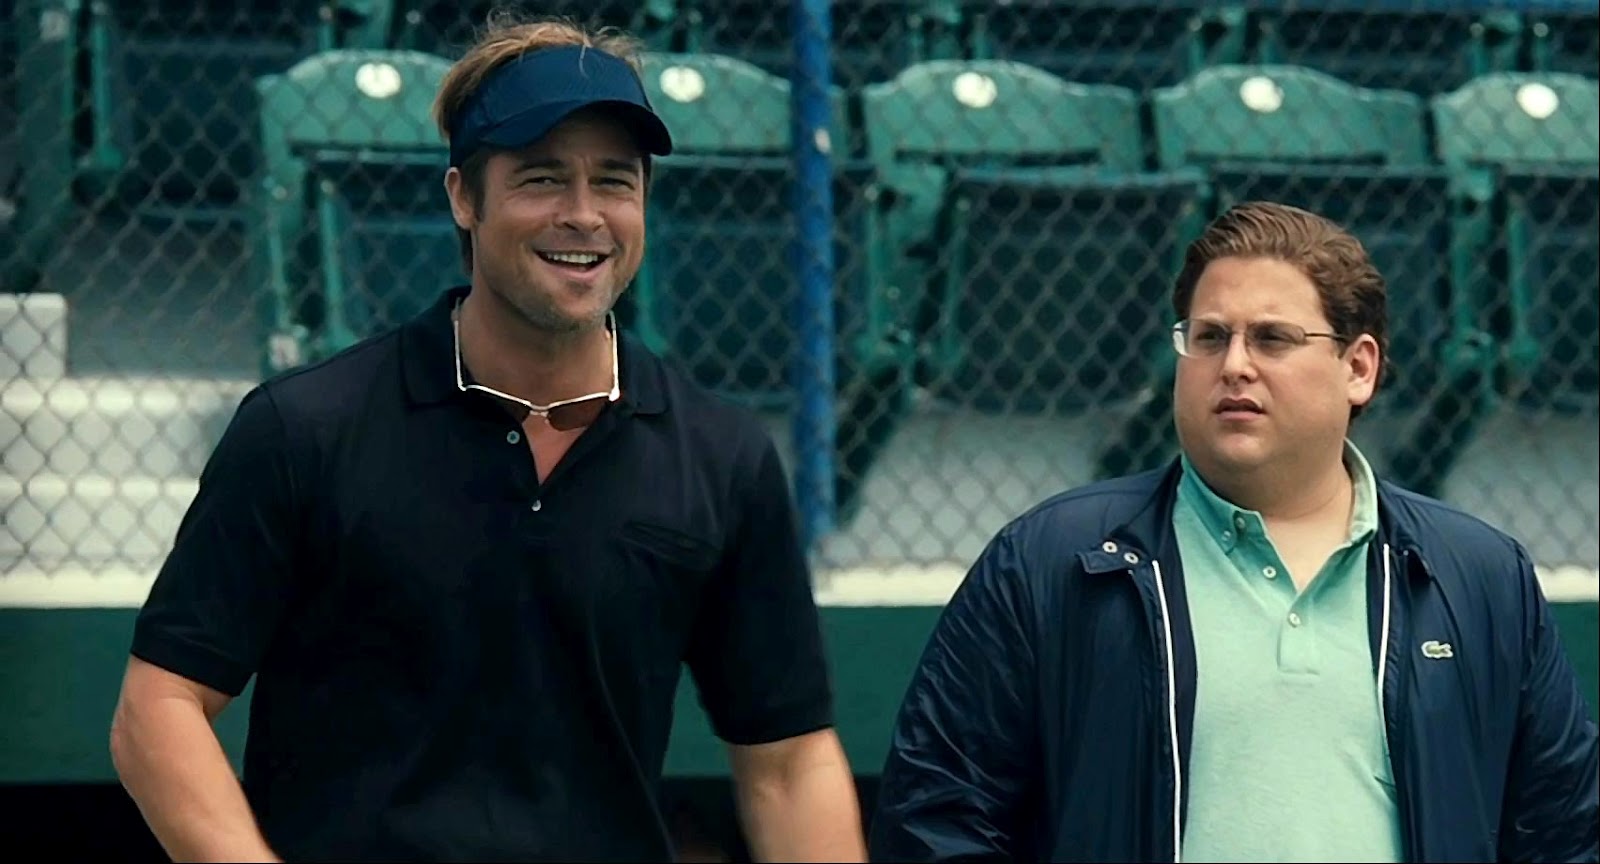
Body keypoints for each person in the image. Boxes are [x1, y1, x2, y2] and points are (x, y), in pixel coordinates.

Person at [108, 14, 866, 863]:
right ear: (463, 197)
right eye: (542, 179)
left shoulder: (722, 457)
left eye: (614, 182)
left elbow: (790, 763)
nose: (584, 215)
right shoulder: (304, 428)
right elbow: (158, 708)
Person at [868, 201, 1599, 863]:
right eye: (1210, 337)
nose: (1234, 365)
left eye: (1273, 339)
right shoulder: (1052, 561)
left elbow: (1563, 833)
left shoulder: (1479, 577)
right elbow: (937, 815)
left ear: (1358, 367)